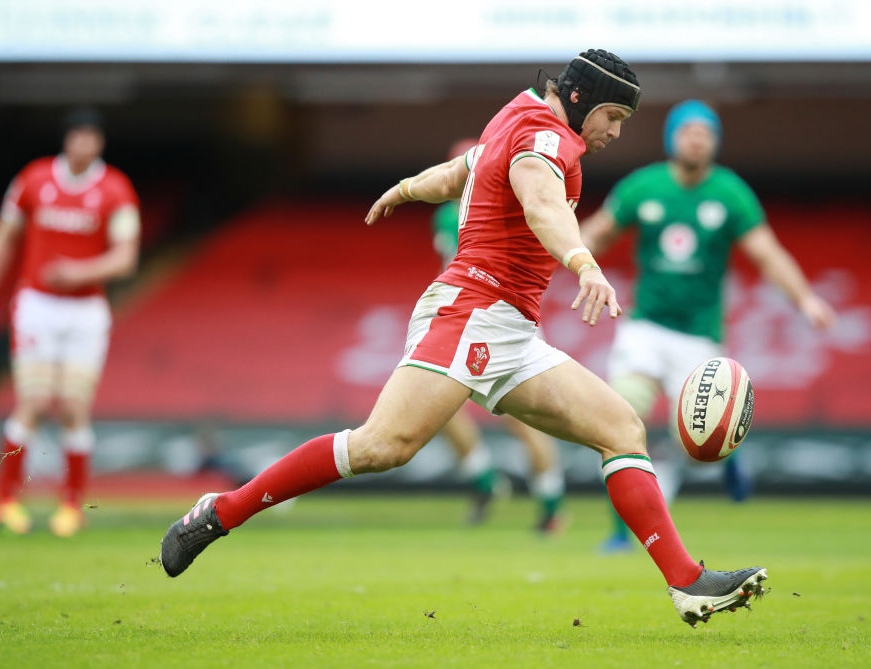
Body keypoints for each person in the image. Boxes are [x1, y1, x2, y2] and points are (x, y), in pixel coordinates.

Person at [159, 50, 767, 628]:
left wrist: (406, 188)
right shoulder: (548, 139)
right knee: (381, 447)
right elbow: (542, 205)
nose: (615, 131)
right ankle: (221, 510)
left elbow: (461, 171)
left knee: (621, 428)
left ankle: (687, 581)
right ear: (583, 100)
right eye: (613, 116)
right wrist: (584, 263)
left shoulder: (517, 112)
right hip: (471, 313)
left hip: (510, 330)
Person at [580, 100, 836, 553]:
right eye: (689, 133)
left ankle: (727, 459)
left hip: (699, 337)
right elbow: (595, 233)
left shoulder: (730, 193)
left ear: (714, 142)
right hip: (644, 327)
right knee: (622, 416)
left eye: (705, 134)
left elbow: (768, 254)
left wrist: (805, 299)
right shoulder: (644, 186)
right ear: (672, 138)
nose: (697, 141)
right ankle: (620, 533)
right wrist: (566, 258)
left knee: (697, 446)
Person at [0, 108, 141, 537]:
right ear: (66, 140)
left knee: (73, 408)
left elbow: (126, 257)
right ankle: (5, 501)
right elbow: (3, 236)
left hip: (86, 311)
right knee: (32, 402)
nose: (83, 144)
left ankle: (71, 506)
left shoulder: (116, 188)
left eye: (91, 136)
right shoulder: (34, 179)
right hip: (37, 305)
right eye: (77, 136)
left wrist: (79, 272)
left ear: (100, 143)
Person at [432, 138, 566, 532]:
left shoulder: (503, 209)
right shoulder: (446, 216)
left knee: (522, 418)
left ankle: (550, 504)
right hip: (465, 319)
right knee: (435, 404)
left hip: (505, 320)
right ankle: (486, 480)